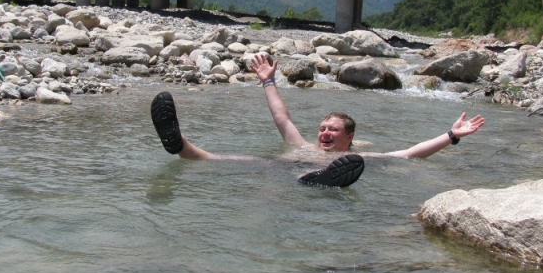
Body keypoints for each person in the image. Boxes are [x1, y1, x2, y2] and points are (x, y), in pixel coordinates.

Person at [151, 54, 485, 187]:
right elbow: (281, 117)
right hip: (277, 170)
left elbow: (410, 154)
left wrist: (450, 136)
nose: (325, 133)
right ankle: (179, 143)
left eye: (333, 130)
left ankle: (319, 181)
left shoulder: (358, 157)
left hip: (312, 175)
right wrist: (268, 81)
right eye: (323, 128)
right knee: (216, 159)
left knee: (307, 178)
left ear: (348, 138)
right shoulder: (301, 144)